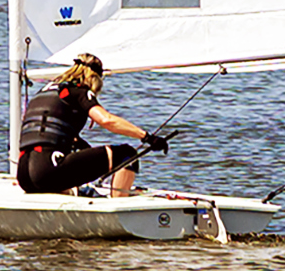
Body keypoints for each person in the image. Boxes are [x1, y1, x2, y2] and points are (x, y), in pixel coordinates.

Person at [14, 54, 170, 198]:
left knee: (76, 155)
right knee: (127, 155)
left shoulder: (44, 93)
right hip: (47, 171)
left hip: (24, 175)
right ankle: (120, 204)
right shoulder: (79, 91)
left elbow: (49, 133)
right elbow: (107, 120)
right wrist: (147, 137)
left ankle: (74, 192)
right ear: (94, 79)